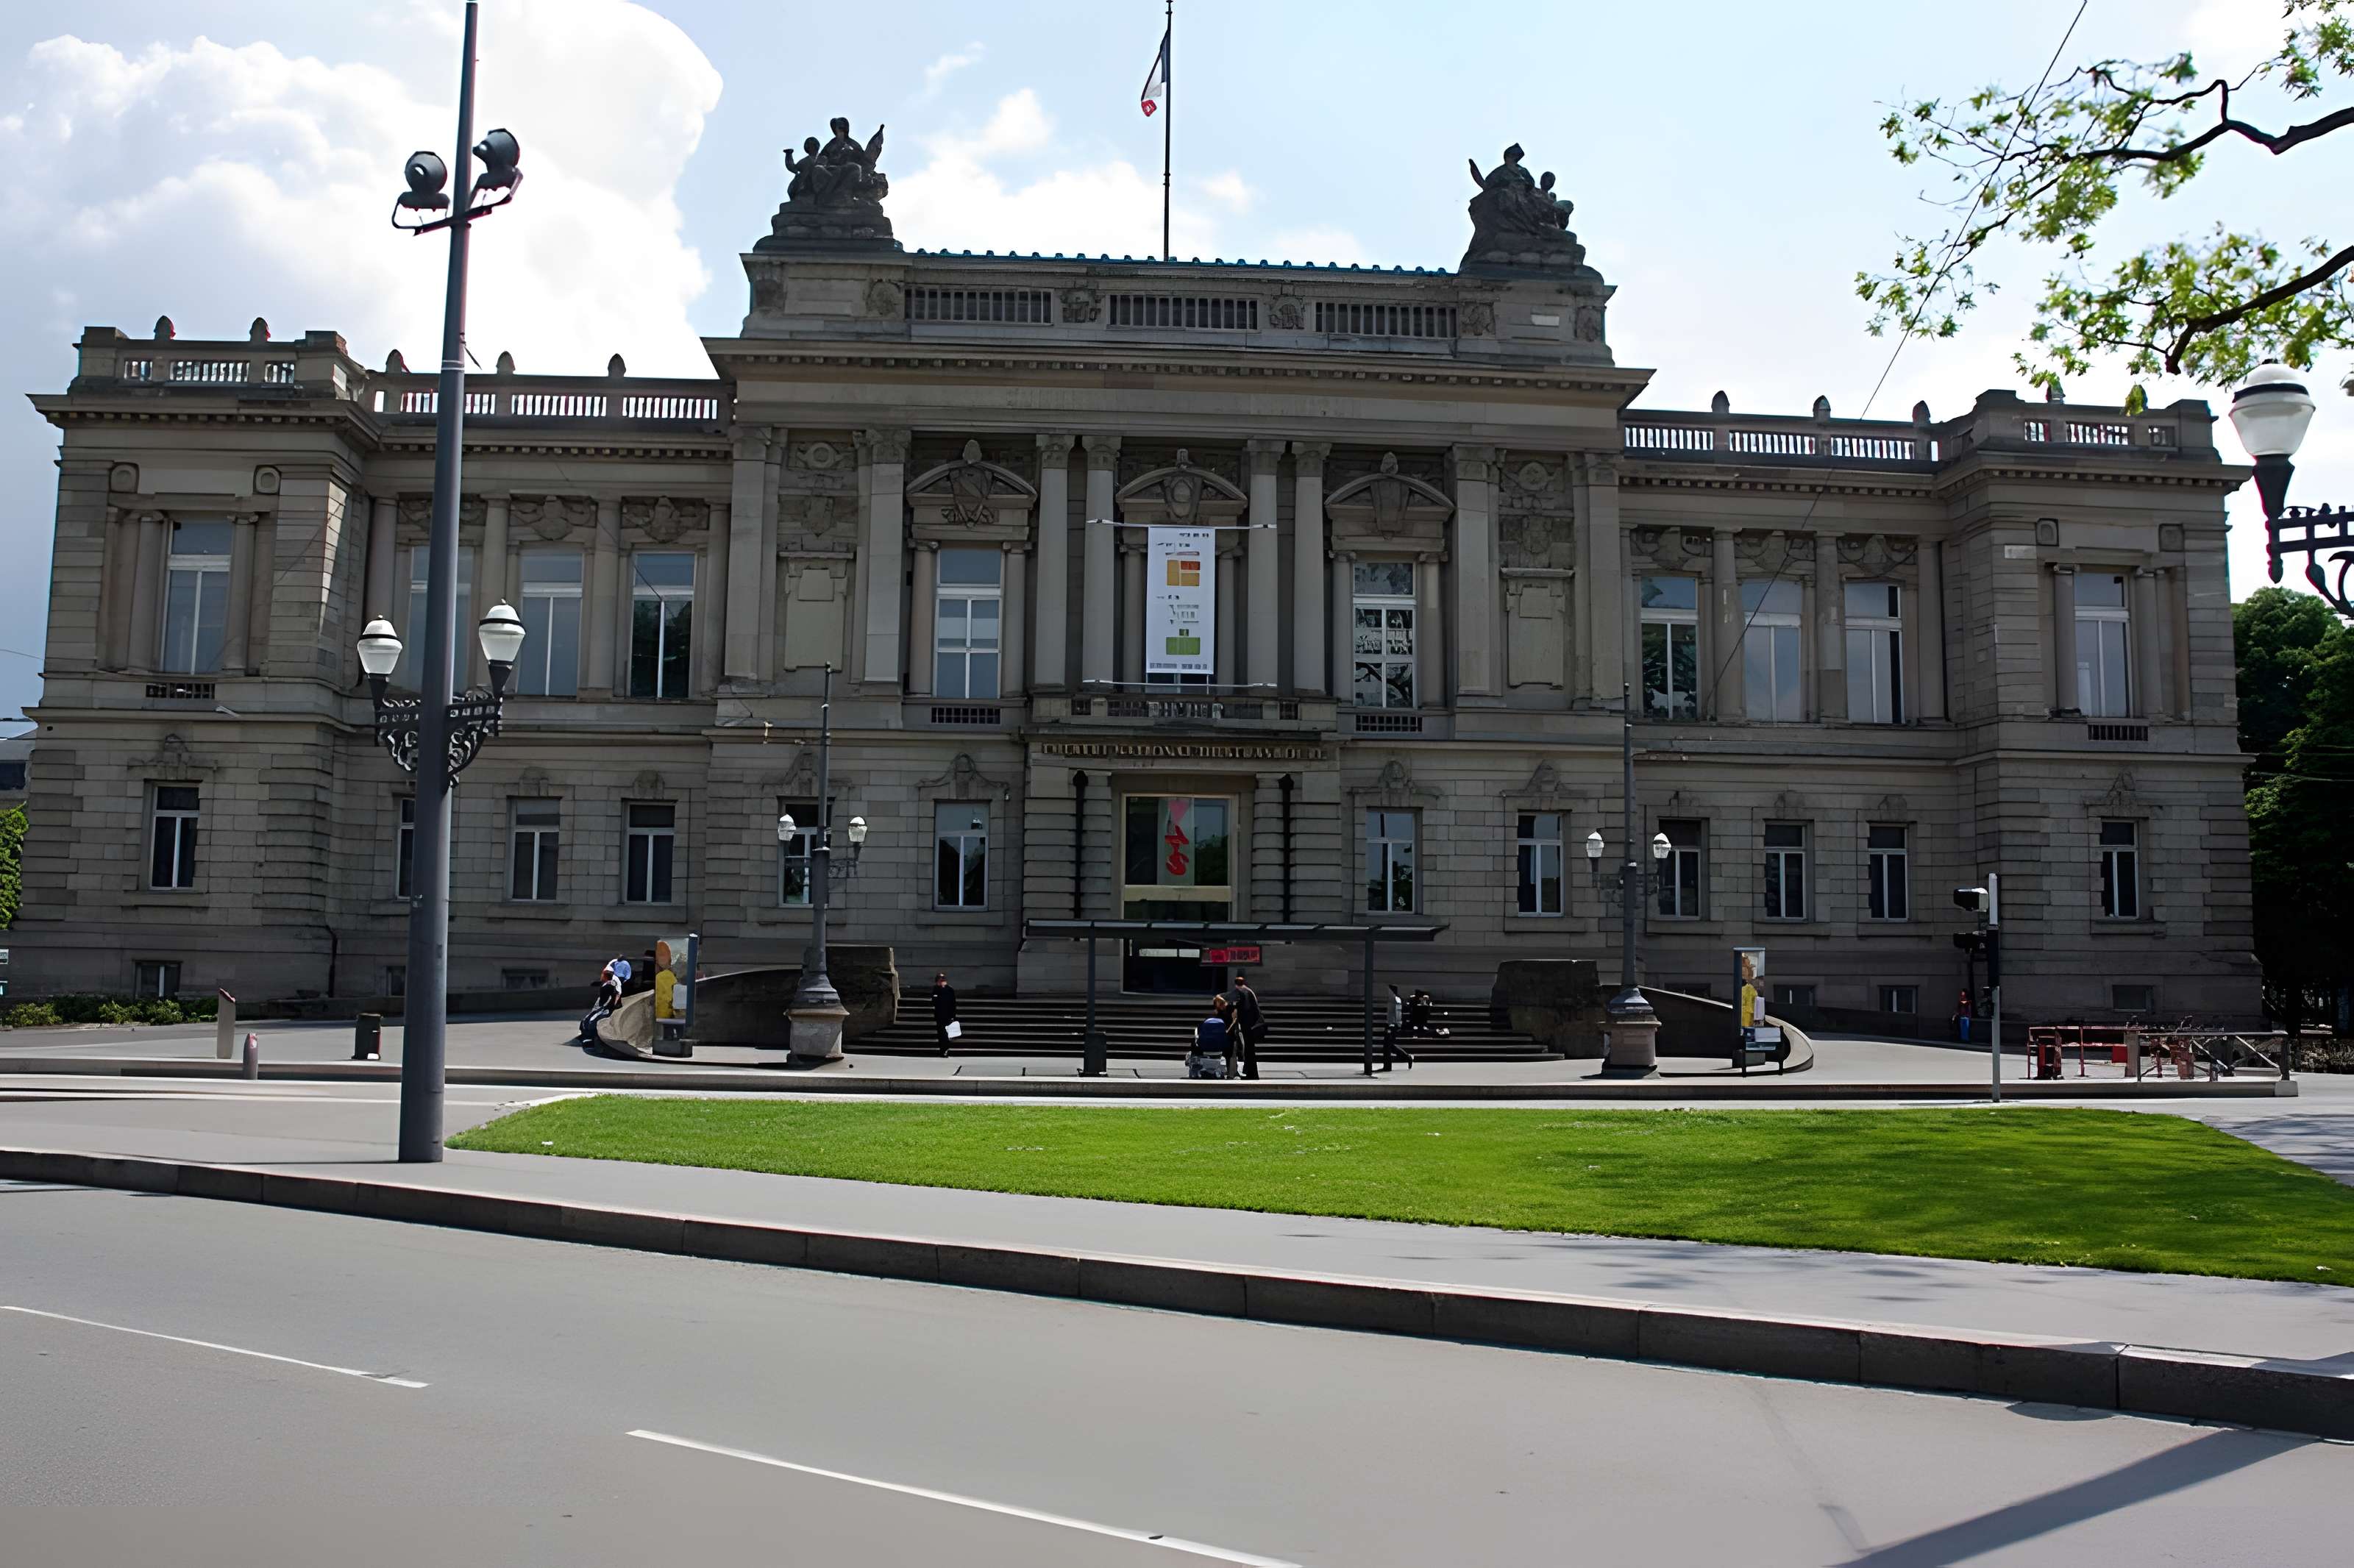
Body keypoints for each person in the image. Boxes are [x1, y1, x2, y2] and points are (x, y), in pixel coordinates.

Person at [1231, 974, 1265, 1080]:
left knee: (1248, 1050)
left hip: (1249, 1026)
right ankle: (1250, 1072)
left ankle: (1251, 1074)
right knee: (1249, 1050)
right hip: (1252, 1025)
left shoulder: (1243, 992)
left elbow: (1245, 1009)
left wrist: (1237, 1014)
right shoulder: (1248, 991)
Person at [1189, 997, 1231, 1080]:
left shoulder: (1209, 1019)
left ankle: (1196, 1067)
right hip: (1221, 1046)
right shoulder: (1227, 1019)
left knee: (1195, 1043)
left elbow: (1200, 1031)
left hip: (1205, 1046)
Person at [932, 972, 959, 1056]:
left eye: (942, 980)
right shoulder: (936, 989)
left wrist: (953, 1016)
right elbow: (934, 1000)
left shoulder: (950, 989)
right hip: (940, 1015)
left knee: (946, 1034)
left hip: (948, 1014)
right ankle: (942, 1050)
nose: (941, 981)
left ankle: (945, 1049)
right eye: (939, 980)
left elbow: (953, 1004)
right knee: (941, 1033)